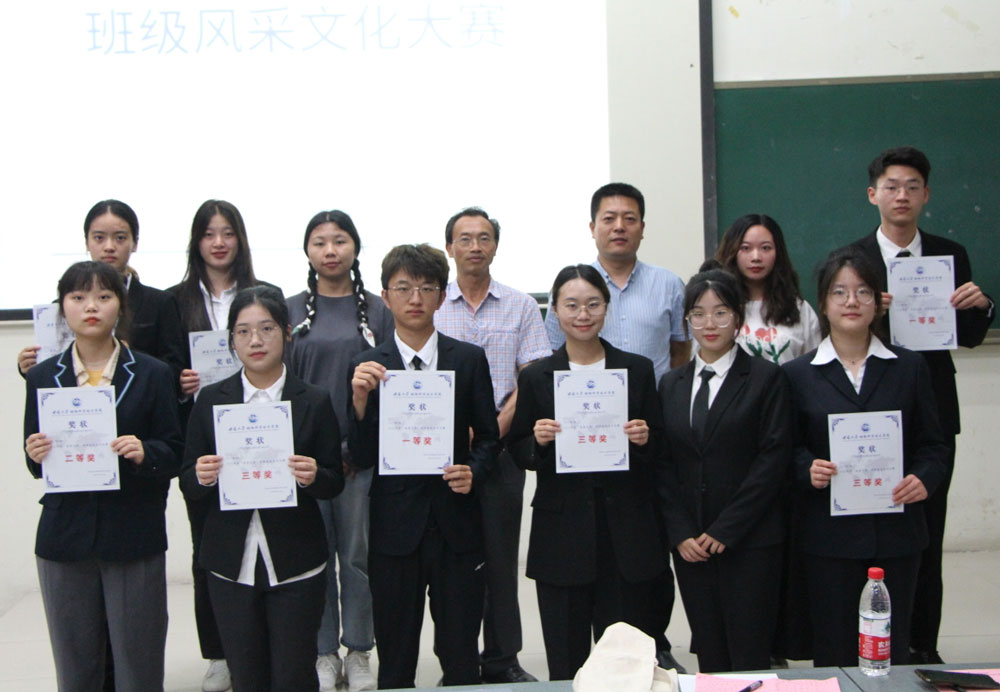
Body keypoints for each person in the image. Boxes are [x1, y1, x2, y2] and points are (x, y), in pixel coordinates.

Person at [843, 146, 994, 663]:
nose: (901, 195)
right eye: (891, 186)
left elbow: (967, 335)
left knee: (928, 534)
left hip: (932, 412)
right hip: (868, 414)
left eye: (912, 186)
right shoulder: (854, 260)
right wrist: (870, 313)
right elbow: (838, 333)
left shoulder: (950, 255)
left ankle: (923, 647)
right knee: (869, 533)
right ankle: (867, 641)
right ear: (873, 194)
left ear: (926, 195)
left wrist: (982, 306)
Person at [544, 182, 687, 670]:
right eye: (609, 218)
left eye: (629, 218)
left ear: (642, 227)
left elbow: (680, 351)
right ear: (593, 227)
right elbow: (556, 365)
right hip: (576, 467)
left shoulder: (668, 285)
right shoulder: (573, 290)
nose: (619, 226)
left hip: (644, 446)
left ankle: (654, 645)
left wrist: (650, 426)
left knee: (642, 568)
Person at [783, 249, 949, 667]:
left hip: (897, 533)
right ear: (823, 304)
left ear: (878, 302)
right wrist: (806, 468)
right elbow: (785, 449)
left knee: (892, 648)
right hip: (828, 536)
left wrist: (923, 477)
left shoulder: (909, 367)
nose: (852, 301)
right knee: (834, 649)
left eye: (863, 291)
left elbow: (935, 444)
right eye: (839, 292)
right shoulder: (797, 374)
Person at [23, 260, 183, 692]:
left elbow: (173, 451)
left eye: (103, 296)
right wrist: (34, 452)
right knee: (76, 668)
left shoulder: (151, 373)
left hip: (133, 535)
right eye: (78, 297)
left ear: (121, 306)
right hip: (64, 538)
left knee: (138, 664)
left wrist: (145, 452)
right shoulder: (42, 376)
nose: (90, 306)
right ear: (63, 308)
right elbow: (35, 463)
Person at [348, 244, 499, 689]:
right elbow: (360, 457)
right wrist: (359, 402)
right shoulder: (366, 367)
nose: (415, 298)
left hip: (457, 525)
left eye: (427, 288)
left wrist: (474, 471)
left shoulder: (467, 359)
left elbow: (489, 438)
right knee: (395, 656)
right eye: (403, 288)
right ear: (385, 296)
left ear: (441, 296)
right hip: (395, 529)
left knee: (460, 654)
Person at [180, 286, 345, 692]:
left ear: (287, 333)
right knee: (247, 676)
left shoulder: (313, 400)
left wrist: (313, 475)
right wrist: (201, 475)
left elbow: (333, 481)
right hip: (229, 561)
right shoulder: (211, 401)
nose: (255, 340)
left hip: (296, 559)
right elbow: (187, 481)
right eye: (243, 331)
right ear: (232, 340)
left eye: (266, 328)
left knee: (293, 675)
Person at [510, 264, 666, 681]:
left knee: (626, 665)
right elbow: (519, 451)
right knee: (566, 662)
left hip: (627, 535)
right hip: (561, 538)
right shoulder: (537, 376)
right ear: (555, 310)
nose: (583, 314)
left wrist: (645, 437)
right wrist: (538, 441)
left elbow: (661, 448)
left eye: (593, 304)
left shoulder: (636, 369)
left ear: (606, 307)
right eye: (572, 305)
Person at [168, 199, 281, 692]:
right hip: (204, 436)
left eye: (228, 232)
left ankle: (269, 644)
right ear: (196, 242)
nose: (219, 242)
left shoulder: (265, 294)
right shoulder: (174, 301)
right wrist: (179, 382)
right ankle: (218, 652)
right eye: (209, 233)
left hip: (262, 437)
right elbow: (159, 367)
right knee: (208, 549)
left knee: (270, 544)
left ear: (240, 239)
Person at [434, 207, 550, 684]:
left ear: (496, 246)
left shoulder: (520, 305)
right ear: (449, 248)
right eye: (465, 238)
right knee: (452, 564)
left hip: (500, 456)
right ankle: (457, 663)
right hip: (442, 459)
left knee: (501, 561)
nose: (475, 246)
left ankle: (503, 659)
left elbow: (532, 377)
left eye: (484, 237)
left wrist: (491, 431)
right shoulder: (432, 304)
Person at [657, 269, 792, 672]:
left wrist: (726, 530)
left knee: (750, 654)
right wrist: (680, 533)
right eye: (698, 314)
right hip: (692, 546)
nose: (709, 324)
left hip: (749, 540)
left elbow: (772, 461)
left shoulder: (766, 378)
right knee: (710, 654)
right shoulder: (671, 384)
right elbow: (663, 464)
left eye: (720, 312)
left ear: (738, 317)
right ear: (687, 321)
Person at [287, 210, 393, 692]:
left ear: (355, 247)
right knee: (314, 558)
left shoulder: (379, 310)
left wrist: (356, 448)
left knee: (355, 558)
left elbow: (391, 385)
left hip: (359, 461)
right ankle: (324, 651)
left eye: (340, 240)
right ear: (307, 251)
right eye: (319, 242)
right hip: (307, 462)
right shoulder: (288, 312)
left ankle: (360, 650)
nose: (330, 251)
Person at [19, 200, 185, 388]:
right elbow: (54, 370)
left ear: (135, 243)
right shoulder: (64, 305)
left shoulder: (160, 302)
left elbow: (174, 367)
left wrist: (128, 357)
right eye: (99, 238)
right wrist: (30, 366)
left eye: (120, 238)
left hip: (138, 399)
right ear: (87, 242)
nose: (109, 247)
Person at [716, 214, 820, 364]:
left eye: (765, 248)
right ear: (732, 252)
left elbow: (814, 367)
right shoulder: (718, 307)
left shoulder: (800, 309)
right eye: (746, 248)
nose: (756, 257)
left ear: (778, 252)